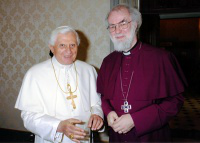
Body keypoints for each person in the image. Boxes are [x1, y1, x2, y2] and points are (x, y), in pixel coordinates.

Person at [97, 4, 187, 142]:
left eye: (123, 23)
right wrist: (109, 112)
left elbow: (175, 101)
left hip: (152, 136)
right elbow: (104, 96)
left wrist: (136, 120)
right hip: (117, 137)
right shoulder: (108, 61)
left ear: (135, 24)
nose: (117, 30)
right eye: (112, 26)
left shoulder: (161, 58)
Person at [15, 26, 104, 143]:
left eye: (72, 45)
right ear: (52, 48)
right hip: (51, 139)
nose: (69, 50)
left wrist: (97, 115)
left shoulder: (88, 70)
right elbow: (29, 117)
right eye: (62, 45)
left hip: (84, 138)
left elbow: (96, 104)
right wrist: (58, 126)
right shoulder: (35, 73)